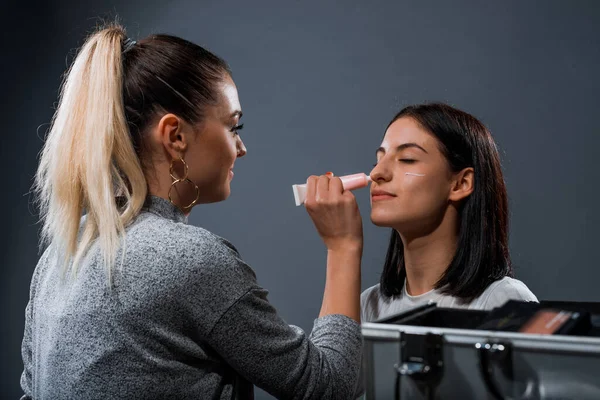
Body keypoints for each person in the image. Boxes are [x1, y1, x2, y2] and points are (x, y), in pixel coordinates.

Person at [21, 24, 364, 399]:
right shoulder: (191, 260)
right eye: (233, 126)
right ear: (175, 136)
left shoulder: (62, 252)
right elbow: (328, 387)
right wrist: (342, 246)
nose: (241, 147)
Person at [361, 103, 537, 323]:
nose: (377, 173)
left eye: (407, 159)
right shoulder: (368, 306)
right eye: (379, 159)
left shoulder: (503, 302)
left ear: (461, 183)